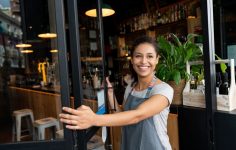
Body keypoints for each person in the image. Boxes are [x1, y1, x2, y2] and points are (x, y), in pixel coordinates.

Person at [59, 35, 174, 150]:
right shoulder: (131, 87)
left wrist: (93, 119)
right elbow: (121, 116)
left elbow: (137, 115)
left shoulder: (163, 90)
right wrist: (110, 94)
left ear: (157, 59)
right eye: (138, 56)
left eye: (150, 56)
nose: (144, 61)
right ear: (132, 59)